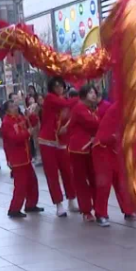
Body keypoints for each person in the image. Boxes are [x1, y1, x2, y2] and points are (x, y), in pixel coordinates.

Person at [38, 77, 79, 216]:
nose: (58, 88)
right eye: (55, 86)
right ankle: (58, 204)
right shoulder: (50, 98)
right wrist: (81, 97)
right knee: (52, 174)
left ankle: (72, 200)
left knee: (68, 171)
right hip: (47, 141)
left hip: (62, 141)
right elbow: (66, 104)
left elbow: (72, 117)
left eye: (60, 86)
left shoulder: (66, 102)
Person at [93, 100, 136, 222]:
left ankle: (128, 211)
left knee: (121, 181)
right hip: (102, 148)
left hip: (114, 149)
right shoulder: (122, 106)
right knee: (105, 183)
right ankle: (101, 214)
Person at [0, 99, 44, 218]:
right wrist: (27, 133)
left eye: (15, 105)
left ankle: (31, 204)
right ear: (7, 109)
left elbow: (32, 123)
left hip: (26, 156)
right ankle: (14, 208)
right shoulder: (7, 122)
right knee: (20, 185)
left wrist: (32, 114)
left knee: (32, 182)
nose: (15, 107)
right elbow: (14, 138)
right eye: (12, 106)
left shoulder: (20, 117)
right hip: (17, 158)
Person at [68, 85, 104, 224]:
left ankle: (98, 208)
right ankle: (86, 210)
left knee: (95, 179)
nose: (94, 95)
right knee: (81, 181)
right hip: (78, 149)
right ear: (83, 95)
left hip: (90, 148)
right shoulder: (79, 108)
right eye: (90, 92)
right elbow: (93, 124)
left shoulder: (91, 109)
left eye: (94, 92)